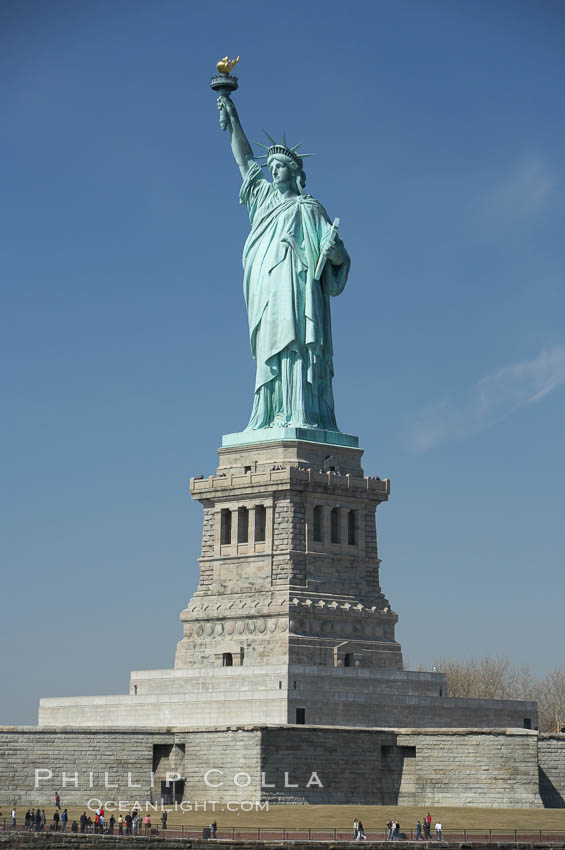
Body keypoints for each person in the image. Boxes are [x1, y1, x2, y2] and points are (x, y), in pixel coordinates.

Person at [217, 95, 350, 434]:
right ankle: (270, 414)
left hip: (299, 290)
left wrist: (333, 251)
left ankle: (302, 413)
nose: (272, 170)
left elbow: (338, 260)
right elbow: (245, 160)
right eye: (271, 166)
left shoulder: (309, 208)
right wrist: (233, 117)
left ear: (294, 173)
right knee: (270, 350)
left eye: (279, 166)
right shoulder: (262, 200)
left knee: (299, 348)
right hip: (267, 291)